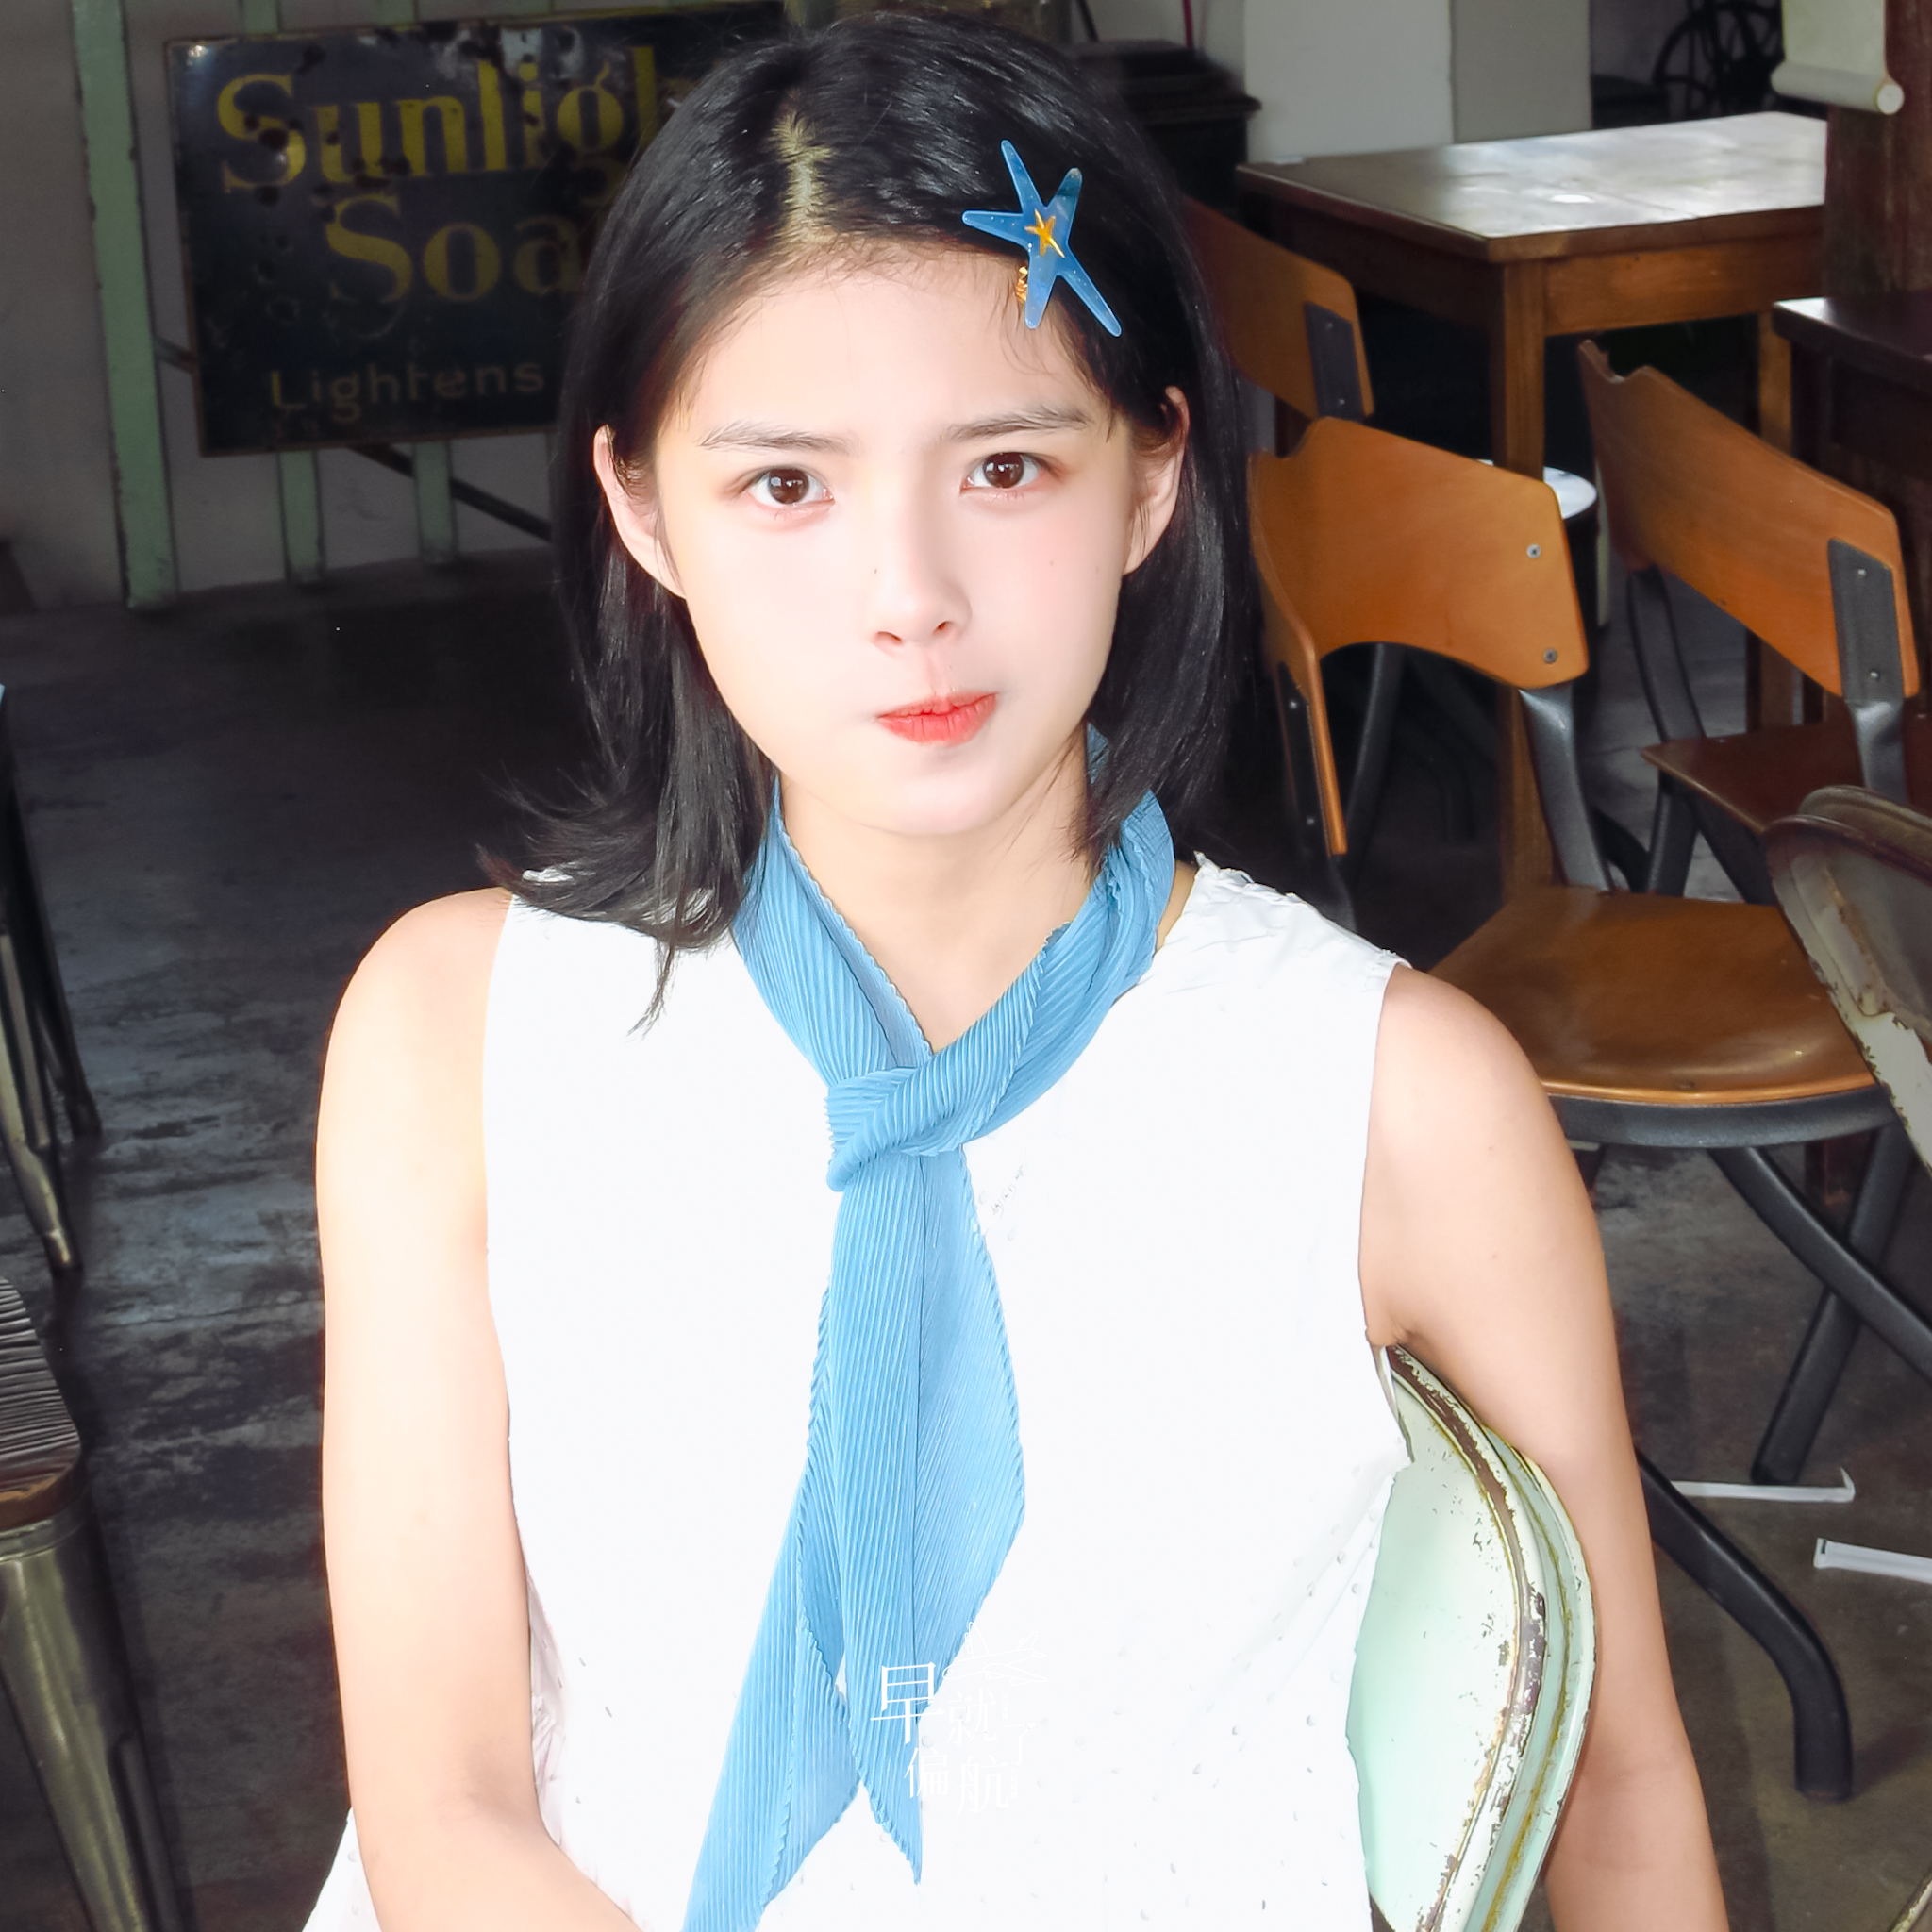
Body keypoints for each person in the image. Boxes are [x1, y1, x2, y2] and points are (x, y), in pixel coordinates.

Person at [303, 13, 1728, 1931]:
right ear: (642, 510)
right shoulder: (462, 1039)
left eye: (1003, 465)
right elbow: (438, 1808)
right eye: (785, 486)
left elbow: (1614, 1778)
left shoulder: (1397, 1101)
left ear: (1150, 476)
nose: (911, 596)